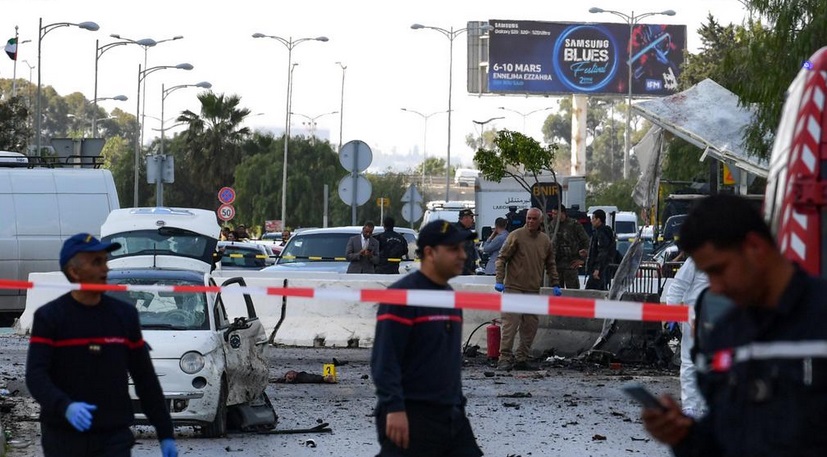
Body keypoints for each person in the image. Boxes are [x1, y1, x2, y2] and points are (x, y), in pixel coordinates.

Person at [641, 194, 827, 456]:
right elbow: (724, 439)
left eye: (719, 270)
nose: (715, 288)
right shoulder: (724, 337)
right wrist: (684, 437)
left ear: (754, 247)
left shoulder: (818, 319)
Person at [25, 233, 177, 457]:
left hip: (113, 437)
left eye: (105, 261)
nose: (105, 269)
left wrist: (165, 432)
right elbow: (36, 376)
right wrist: (64, 406)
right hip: (63, 437)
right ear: (74, 271)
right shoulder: (50, 317)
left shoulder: (124, 316)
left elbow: (145, 378)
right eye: (96, 262)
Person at [371, 220, 483, 457]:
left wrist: (457, 405)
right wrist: (394, 408)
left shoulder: (449, 297)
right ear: (430, 253)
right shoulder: (403, 296)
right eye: (454, 249)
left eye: (462, 248)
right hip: (412, 415)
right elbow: (385, 359)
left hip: (451, 415)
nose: (462, 255)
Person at [495, 207, 561, 371]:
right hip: (514, 288)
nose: (530, 221)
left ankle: (521, 358)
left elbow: (550, 263)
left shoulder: (544, 241)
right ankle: (504, 358)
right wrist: (499, 280)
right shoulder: (516, 236)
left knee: (530, 326)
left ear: (540, 221)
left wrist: (556, 283)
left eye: (533, 219)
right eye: (528, 218)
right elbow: (502, 258)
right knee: (511, 324)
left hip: (532, 290)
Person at [662, 256, 709, 418]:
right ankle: (691, 407)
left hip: (721, 316)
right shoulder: (697, 258)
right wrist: (672, 313)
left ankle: (704, 405)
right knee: (690, 361)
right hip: (695, 317)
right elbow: (678, 286)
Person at [550, 205, 589, 289]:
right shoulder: (551, 225)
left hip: (571, 265)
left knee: (572, 294)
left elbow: (586, 242)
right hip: (556, 265)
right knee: (555, 293)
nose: (553, 216)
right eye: (552, 214)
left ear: (563, 213)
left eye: (556, 214)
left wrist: (582, 260)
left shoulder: (574, 224)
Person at [585, 209, 616, 290]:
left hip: (601, 270)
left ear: (598, 220)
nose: (591, 221)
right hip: (601, 269)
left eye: (593, 219)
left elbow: (603, 252)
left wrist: (597, 268)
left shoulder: (602, 233)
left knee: (590, 292)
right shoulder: (598, 232)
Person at [455, 208, 479, 275]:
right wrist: (467, 271)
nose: (473, 220)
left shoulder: (466, 231)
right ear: (465, 218)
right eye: (471, 217)